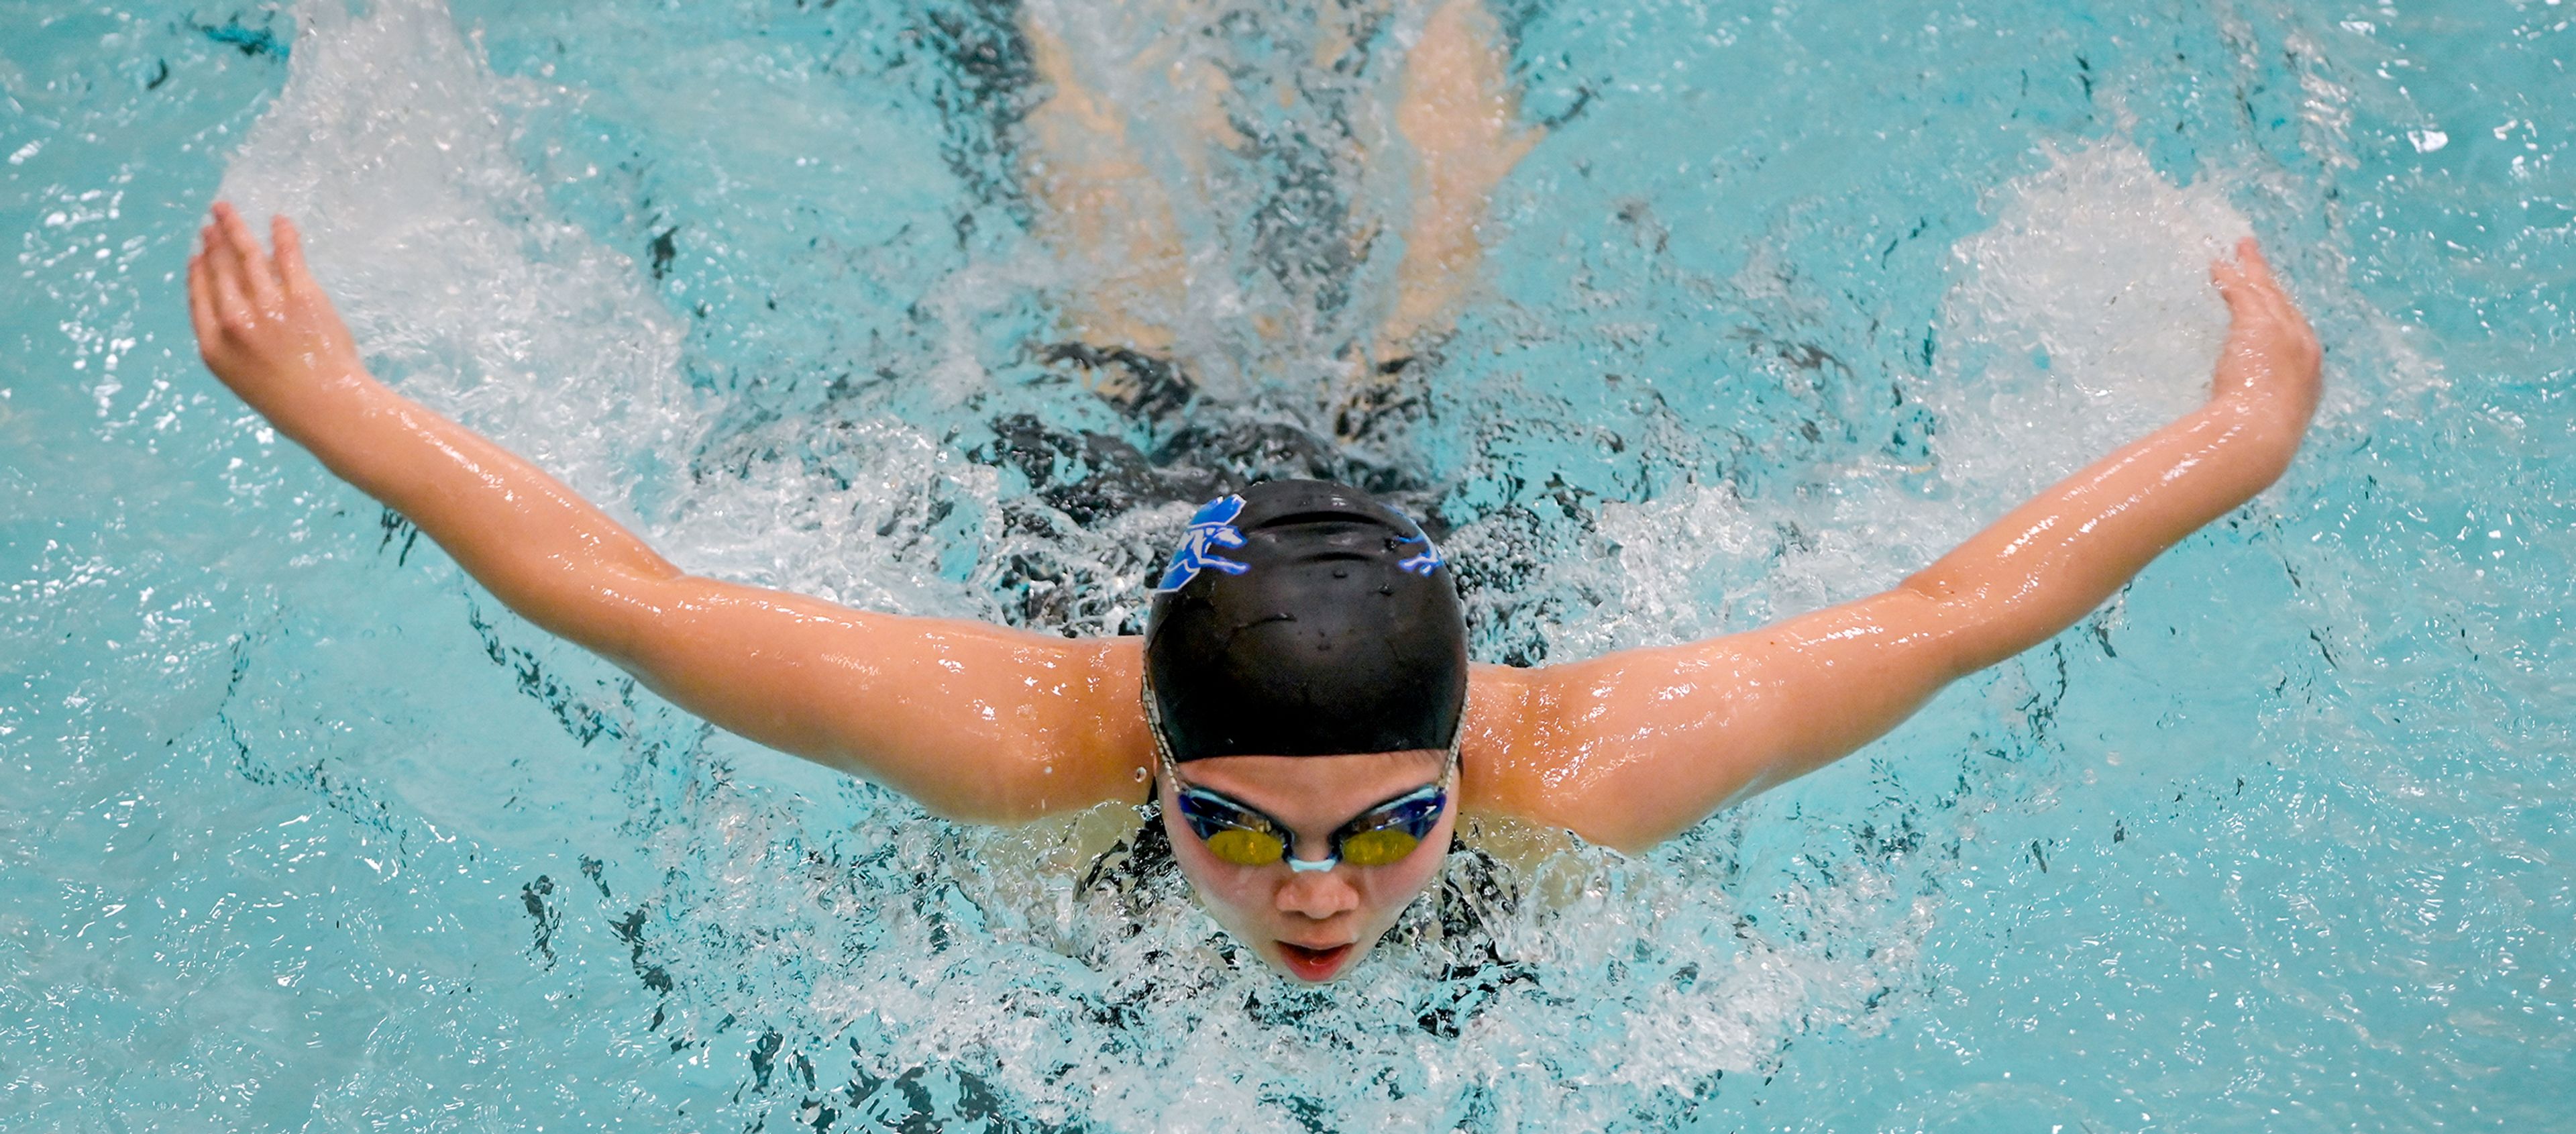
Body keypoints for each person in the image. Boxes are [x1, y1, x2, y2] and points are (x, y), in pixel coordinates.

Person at [185, 31, 2320, 988]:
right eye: (1249, 831)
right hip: (1145, 517)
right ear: (1158, 749)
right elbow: (632, 597)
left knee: (1398, 326)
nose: (1320, 894)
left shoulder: (1580, 763)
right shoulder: (1039, 730)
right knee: (1129, 331)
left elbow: (1957, 607)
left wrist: (2237, 436)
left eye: (1392, 826)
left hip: (1376, 520)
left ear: (1471, 756)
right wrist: (335, 397)